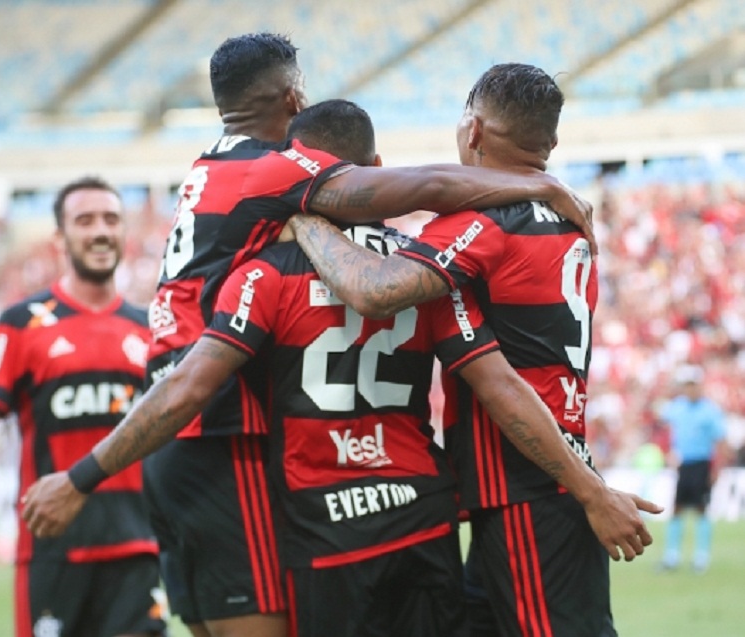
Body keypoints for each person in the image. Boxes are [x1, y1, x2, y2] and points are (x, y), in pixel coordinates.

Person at [30, 34, 598, 637]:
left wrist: (83, 476)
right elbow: (427, 209)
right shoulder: (331, 209)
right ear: (293, 99)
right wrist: (540, 184)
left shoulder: (224, 193)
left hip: (263, 489)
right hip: (260, 443)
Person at [286, 63, 662, 636]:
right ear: (549, 140)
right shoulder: (567, 221)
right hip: (536, 483)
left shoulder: (486, 221)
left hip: (526, 489)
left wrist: (306, 223)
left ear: (474, 129)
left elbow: (376, 290)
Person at [0, 176, 167, 637]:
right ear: (59, 238)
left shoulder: (150, 329)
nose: (101, 231)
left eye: (111, 219)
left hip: (137, 550)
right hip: (52, 550)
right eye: (85, 220)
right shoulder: (22, 325)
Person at [659, 364, 729, 573]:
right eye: (687, 385)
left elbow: (720, 441)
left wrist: (717, 469)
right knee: (677, 508)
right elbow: (662, 423)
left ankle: (701, 556)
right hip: (683, 464)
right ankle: (672, 556)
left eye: (693, 385)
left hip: (702, 464)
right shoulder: (677, 407)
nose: (690, 389)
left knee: (701, 508)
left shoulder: (710, 410)